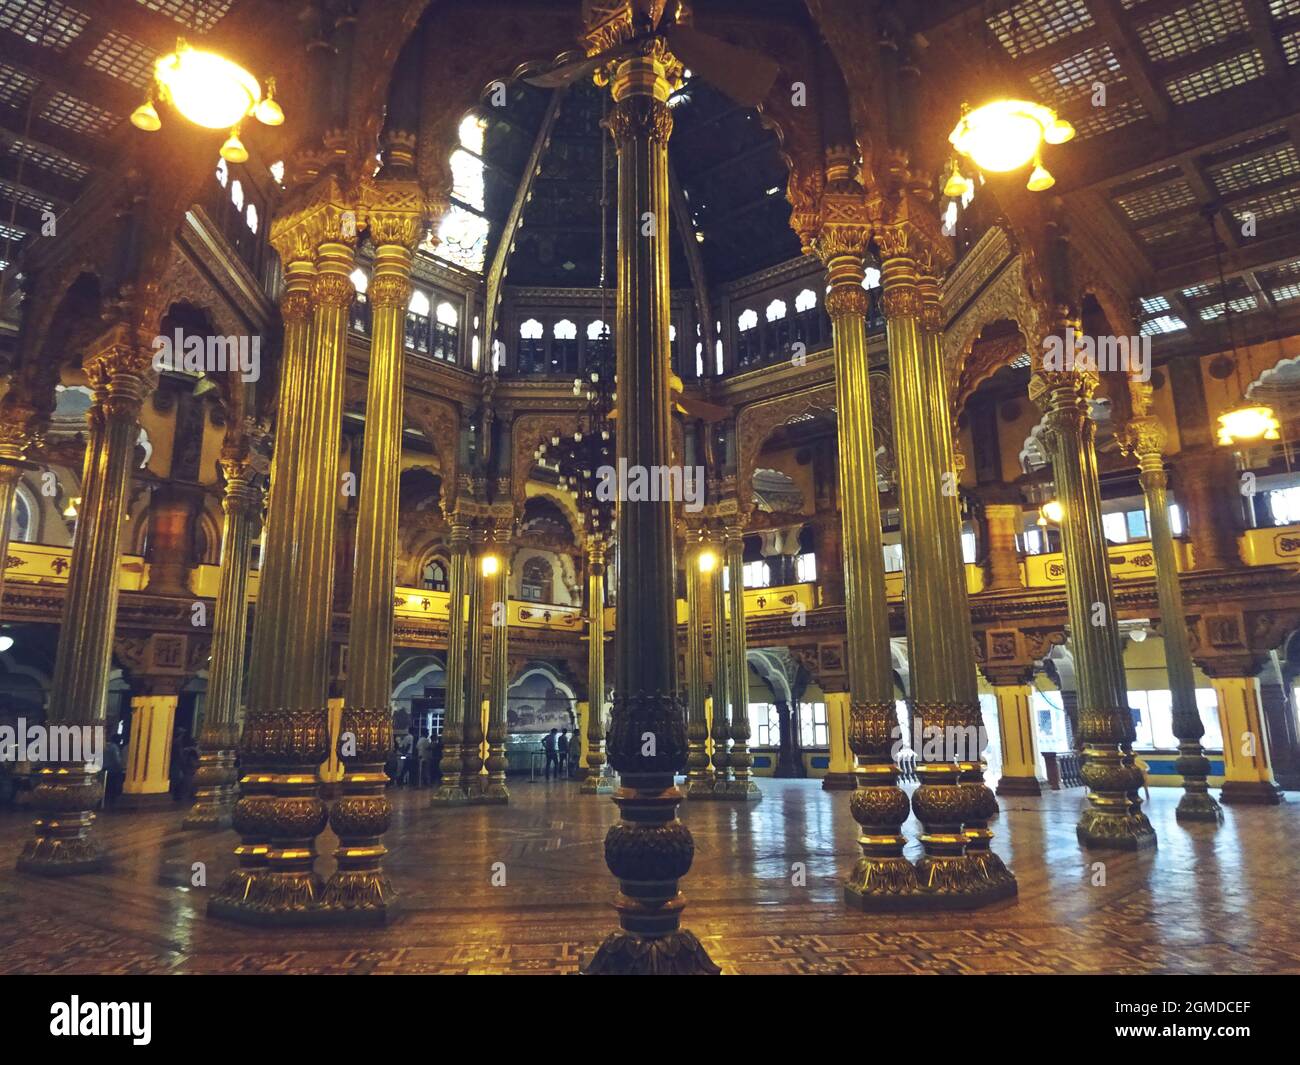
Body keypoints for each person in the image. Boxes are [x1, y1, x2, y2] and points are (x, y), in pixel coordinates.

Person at [102, 737, 124, 809]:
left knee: (106, 787)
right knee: (113, 787)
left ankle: (104, 801)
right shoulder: (114, 748)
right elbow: (116, 759)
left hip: (104, 769)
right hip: (114, 770)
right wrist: (120, 768)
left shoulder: (105, 746)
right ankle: (111, 803)